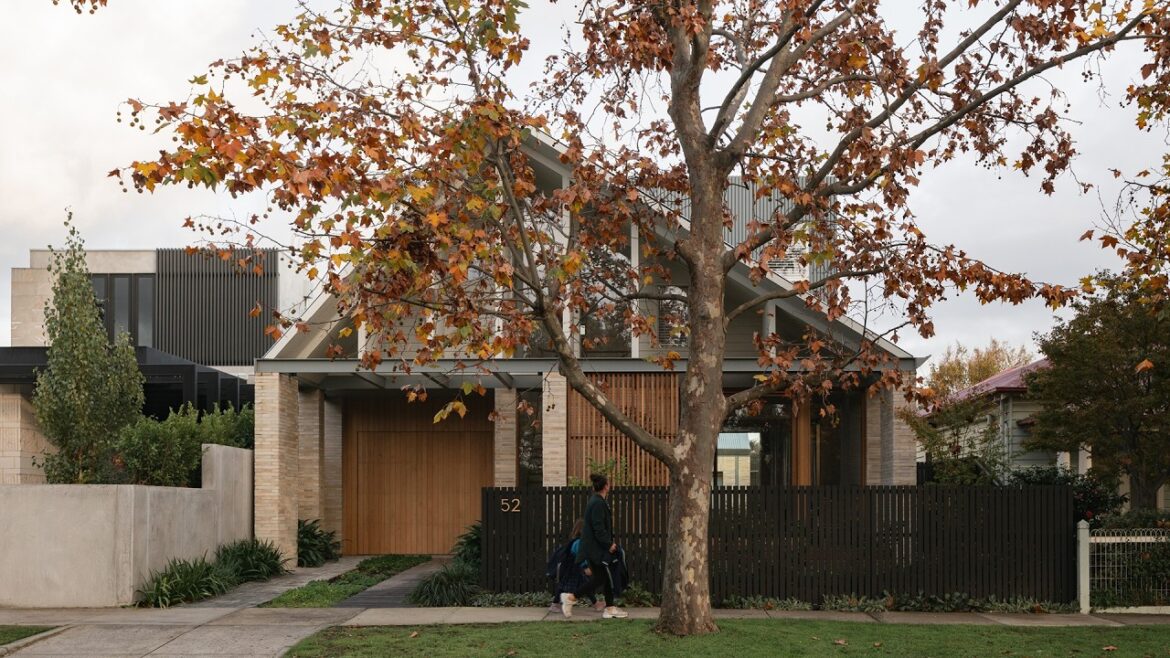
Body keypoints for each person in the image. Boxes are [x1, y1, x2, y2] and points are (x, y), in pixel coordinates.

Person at [560, 473, 628, 619]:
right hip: (595, 549)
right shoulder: (597, 503)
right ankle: (571, 598)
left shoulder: (596, 501)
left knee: (603, 577)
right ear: (606, 486)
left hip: (594, 548)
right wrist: (608, 544)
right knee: (602, 578)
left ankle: (609, 608)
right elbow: (598, 527)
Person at [547, 519, 604, 613]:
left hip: (574, 568)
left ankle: (596, 604)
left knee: (583, 585)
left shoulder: (578, 541)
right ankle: (555, 604)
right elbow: (579, 555)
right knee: (564, 585)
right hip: (572, 569)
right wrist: (585, 567)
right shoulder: (578, 542)